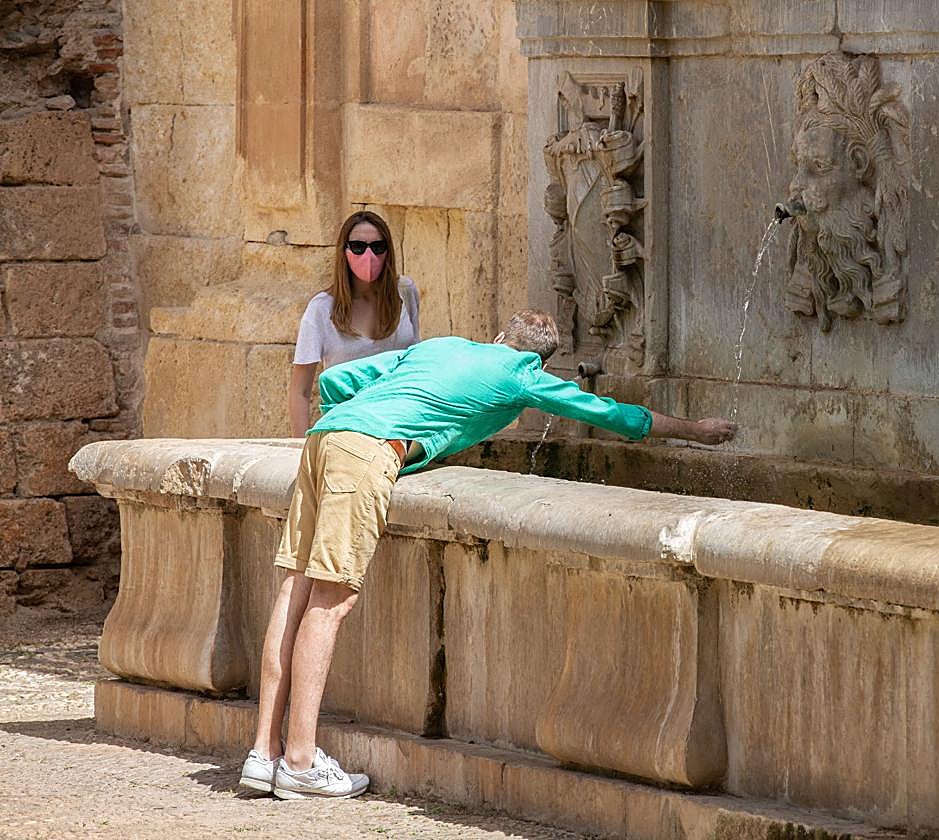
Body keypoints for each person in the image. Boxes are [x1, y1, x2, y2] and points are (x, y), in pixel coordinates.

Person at [240, 310, 737, 799]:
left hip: (325, 439)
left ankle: (264, 753)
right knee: (331, 601)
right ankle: (300, 760)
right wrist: (694, 429)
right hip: (368, 451)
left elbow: (336, 380)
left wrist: (362, 419)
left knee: (295, 587)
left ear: (498, 336)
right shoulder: (523, 375)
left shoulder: (442, 346)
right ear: (540, 363)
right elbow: (609, 413)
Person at [288, 210, 421, 438]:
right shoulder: (322, 309)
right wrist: (300, 447)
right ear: (344, 250)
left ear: (388, 251)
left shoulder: (405, 292)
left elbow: (414, 362)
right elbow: (300, 391)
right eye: (358, 247)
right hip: (346, 429)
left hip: (399, 426)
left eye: (378, 247)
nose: (369, 255)